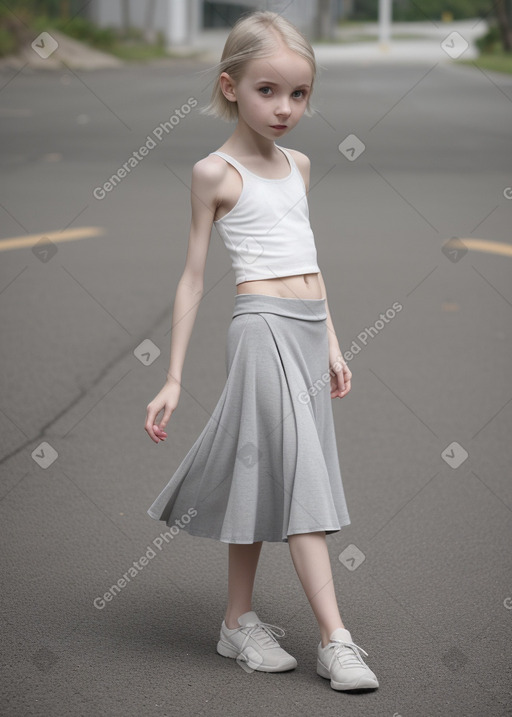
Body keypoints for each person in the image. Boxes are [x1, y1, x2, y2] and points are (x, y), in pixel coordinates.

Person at [144, 10, 379, 692]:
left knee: (260, 472)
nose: (284, 108)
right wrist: (174, 376)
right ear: (230, 86)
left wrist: (332, 341)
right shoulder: (213, 172)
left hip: (307, 331)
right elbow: (192, 275)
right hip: (261, 329)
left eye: (299, 94)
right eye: (267, 91)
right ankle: (336, 637)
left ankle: (237, 618)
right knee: (303, 477)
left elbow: (310, 259)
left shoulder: (299, 166)